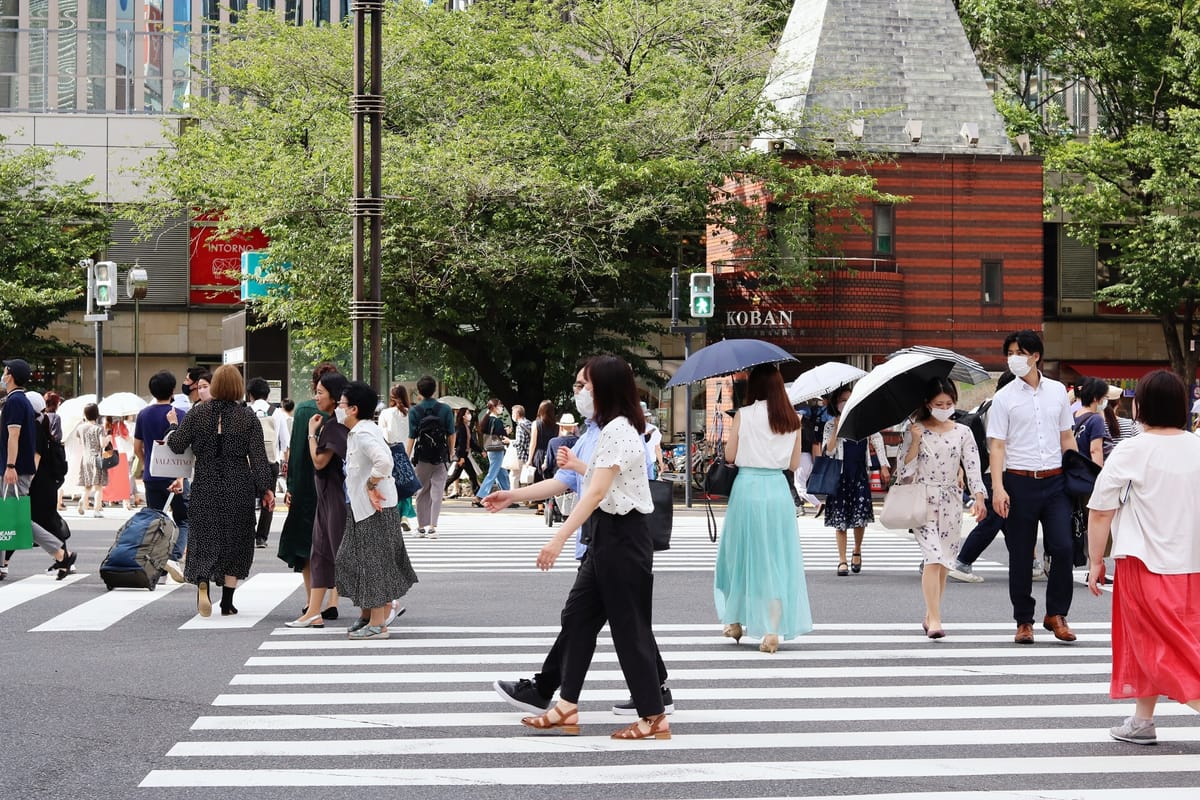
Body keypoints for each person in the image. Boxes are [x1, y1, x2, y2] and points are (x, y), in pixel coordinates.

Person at [510, 356, 670, 740]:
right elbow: (592, 481)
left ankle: (653, 715)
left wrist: (558, 538)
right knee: (578, 616)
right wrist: (513, 495)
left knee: (629, 628)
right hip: (607, 535)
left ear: (606, 390)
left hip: (623, 535)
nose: (581, 394)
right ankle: (566, 706)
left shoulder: (619, 430)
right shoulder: (610, 430)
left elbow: (597, 491)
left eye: (588, 386)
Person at [1086, 369, 1200, 745]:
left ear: (1142, 406)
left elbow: (1101, 510)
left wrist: (1095, 561)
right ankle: (1142, 720)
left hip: (1144, 560)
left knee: (1161, 645)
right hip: (1193, 562)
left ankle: (1146, 719)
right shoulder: (1197, 446)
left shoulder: (1133, 450)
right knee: (1171, 640)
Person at [986, 329, 1079, 645]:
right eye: (1010, 352)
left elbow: (1067, 437)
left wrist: (1078, 477)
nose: (1014, 358)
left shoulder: (1057, 393)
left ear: (1036, 355)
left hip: (1055, 482)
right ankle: (1023, 620)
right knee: (1021, 555)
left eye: (1020, 352)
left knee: (1064, 547)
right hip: (1018, 482)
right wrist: (998, 488)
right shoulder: (1003, 398)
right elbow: (996, 446)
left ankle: (1056, 614)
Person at [713, 363, 811, 654]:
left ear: (753, 386)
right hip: (777, 491)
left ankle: (734, 621)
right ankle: (772, 629)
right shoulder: (793, 419)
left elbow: (730, 455)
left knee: (738, 555)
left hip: (747, 488)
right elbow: (794, 465)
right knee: (776, 558)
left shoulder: (744, 414)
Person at [165, 364, 275, 618]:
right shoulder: (247, 417)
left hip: (205, 482)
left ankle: (202, 581)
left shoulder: (198, 414)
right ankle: (227, 601)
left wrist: (172, 426)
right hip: (238, 483)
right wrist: (266, 489)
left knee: (204, 536)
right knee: (236, 541)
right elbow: (258, 458)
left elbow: (177, 445)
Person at [894, 377, 988, 638]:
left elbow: (972, 467)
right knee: (933, 557)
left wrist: (979, 497)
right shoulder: (915, 430)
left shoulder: (963, 432)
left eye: (949, 403)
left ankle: (929, 613)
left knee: (945, 561)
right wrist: (913, 442)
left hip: (952, 500)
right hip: (923, 499)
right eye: (939, 403)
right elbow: (904, 473)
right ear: (927, 404)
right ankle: (935, 619)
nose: (944, 407)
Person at [335, 381, 418, 640]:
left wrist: (371, 483)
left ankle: (378, 623)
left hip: (375, 509)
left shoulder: (362, 433)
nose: (338, 408)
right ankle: (367, 614)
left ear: (354, 409)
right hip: (364, 508)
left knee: (372, 564)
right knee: (351, 559)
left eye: (342, 404)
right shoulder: (361, 430)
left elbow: (384, 461)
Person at [1, 359, 76, 580]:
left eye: (5, 371)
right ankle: (60, 553)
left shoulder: (14, 401)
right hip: (18, 467)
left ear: (11, 375)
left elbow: (13, 435)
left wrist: (10, 465)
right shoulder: (21, 400)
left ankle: (61, 553)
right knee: (10, 515)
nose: (3, 374)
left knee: (17, 517)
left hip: (14, 468)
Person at [286, 372, 351, 629]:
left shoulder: (333, 425)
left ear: (334, 397)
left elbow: (319, 461)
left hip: (335, 495)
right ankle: (314, 611)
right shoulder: (336, 422)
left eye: (321, 392)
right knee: (320, 553)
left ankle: (387, 603)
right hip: (326, 494)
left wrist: (312, 433)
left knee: (341, 554)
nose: (316, 396)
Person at [822, 385, 889, 576]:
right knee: (840, 519)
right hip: (839, 476)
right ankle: (842, 560)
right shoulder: (830, 424)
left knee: (860, 518)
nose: (846, 403)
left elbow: (877, 440)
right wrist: (836, 428)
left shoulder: (863, 421)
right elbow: (829, 450)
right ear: (836, 403)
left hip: (859, 473)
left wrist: (883, 465)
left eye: (849, 399)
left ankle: (857, 550)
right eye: (842, 400)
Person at [133, 370, 189, 578]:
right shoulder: (180, 415)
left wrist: (147, 462)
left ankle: (158, 562)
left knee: (156, 519)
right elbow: (186, 449)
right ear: (173, 390)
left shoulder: (143, 414)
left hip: (152, 475)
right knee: (183, 519)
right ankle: (173, 557)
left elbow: (137, 447)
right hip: (176, 474)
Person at [407, 375, 455, 539]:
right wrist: (451, 451)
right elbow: (451, 433)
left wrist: (407, 455)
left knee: (422, 491)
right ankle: (433, 527)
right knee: (437, 490)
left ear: (419, 391)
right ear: (434, 390)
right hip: (440, 456)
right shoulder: (445, 409)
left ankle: (421, 527)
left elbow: (412, 436)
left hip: (422, 456)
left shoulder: (415, 411)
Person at [247, 377, 286, 549]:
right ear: (268, 394)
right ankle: (261, 537)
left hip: (248, 463)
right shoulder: (276, 412)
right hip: (271, 461)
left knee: (247, 499)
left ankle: (248, 533)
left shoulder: (246, 411)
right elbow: (285, 441)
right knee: (267, 499)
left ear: (250, 395)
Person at [377, 384, 416, 531]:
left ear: (391, 396)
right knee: (407, 484)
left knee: (393, 485)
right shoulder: (411, 413)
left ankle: (395, 515)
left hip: (391, 452)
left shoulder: (386, 413)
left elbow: (381, 434)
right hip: (408, 453)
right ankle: (405, 515)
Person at [475, 398, 511, 503]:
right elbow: (502, 435)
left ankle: (507, 496)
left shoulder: (487, 420)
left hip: (490, 448)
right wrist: (507, 431)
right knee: (492, 473)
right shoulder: (497, 421)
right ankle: (481, 495)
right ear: (494, 408)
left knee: (502, 473)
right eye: (500, 406)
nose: (501, 408)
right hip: (497, 449)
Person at [77, 402, 108, 516]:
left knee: (87, 485)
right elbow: (102, 444)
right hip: (96, 458)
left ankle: (82, 501)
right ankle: (96, 509)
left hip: (85, 458)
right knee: (98, 486)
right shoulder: (99, 428)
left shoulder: (80, 428)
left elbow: (80, 443)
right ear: (97, 414)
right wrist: (108, 438)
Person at [444, 407, 481, 498]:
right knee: (471, 475)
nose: (470, 415)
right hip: (462, 455)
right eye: (468, 413)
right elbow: (461, 443)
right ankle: (478, 497)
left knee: (455, 475)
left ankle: (440, 488)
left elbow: (470, 442)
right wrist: (461, 457)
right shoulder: (460, 428)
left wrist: (481, 451)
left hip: (464, 455)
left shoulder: (467, 427)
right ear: (463, 416)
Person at [509, 404, 532, 489]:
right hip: (529, 454)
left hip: (521, 455)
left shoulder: (520, 426)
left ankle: (513, 496)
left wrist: (510, 441)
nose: (512, 416)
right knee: (528, 477)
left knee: (514, 476)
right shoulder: (529, 423)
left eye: (513, 413)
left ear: (517, 414)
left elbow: (519, 442)